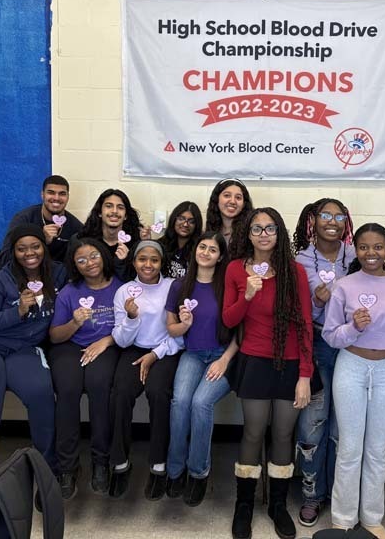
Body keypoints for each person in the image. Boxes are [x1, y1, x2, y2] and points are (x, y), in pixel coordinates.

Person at [323, 223, 385, 539]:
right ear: (356, 250)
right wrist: (353, 327)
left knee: (378, 450)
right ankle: (342, 518)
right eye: (364, 247)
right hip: (351, 366)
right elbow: (330, 336)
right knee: (350, 448)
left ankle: (371, 517)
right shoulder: (344, 286)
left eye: (378, 246)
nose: (371, 253)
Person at [223, 207, 313, 539]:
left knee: (283, 435)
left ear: (279, 233)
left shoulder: (295, 272)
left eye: (271, 228)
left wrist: (305, 374)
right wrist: (247, 294)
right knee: (253, 432)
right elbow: (230, 320)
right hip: (255, 360)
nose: (264, 234)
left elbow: (304, 324)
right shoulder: (235, 270)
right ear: (247, 234)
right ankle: (243, 505)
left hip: (290, 364)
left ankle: (278, 505)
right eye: (257, 228)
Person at [0, 224, 67, 472]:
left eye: (35, 246)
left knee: (42, 396)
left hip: (25, 349)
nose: (30, 253)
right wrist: (16, 312)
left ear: (44, 247)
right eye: (22, 249)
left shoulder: (58, 274)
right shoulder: (1, 279)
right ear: (14, 252)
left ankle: (47, 470)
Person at [292, 197, 356, 526]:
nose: (332, 221)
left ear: (346, 221)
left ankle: (339, 494)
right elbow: (298, 313)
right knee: (313, 426)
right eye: (325, 215)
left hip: (350, 349)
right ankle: (311, 494)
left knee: (341, 428)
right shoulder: (301, 260)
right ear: (313, 221)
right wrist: (318, 302)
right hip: (315, 345)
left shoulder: (357, 257)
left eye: (339, 216)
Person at [165, 231, 236, 507]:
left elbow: (242, 332)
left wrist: (225, 360)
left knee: (200, 403)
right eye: (202, 247)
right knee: (180, 401)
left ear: (220, 257)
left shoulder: (228, 286)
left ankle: (198, 472)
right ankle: (174, 470)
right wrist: (184, 324)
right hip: (193, 355)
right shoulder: (179, 286)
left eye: (213, 250)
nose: (206, 252)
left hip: (223, 355)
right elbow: (172, 330)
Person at [48, 237, 123, 500]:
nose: (89, 263)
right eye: (81, 260)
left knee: (99, 385)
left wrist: (106, 340)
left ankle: (101, 461)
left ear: (104, 256)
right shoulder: (69, 292)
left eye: (93, 256)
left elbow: (130, 329)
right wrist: (75, 323)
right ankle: (67, 466)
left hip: (108, 346)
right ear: (75, 265)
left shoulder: (120, 289)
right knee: (67, 389)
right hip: (69, 346)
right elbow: (56, 336)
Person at [109, 241, 183, 499]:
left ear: (162, 263)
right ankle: (119, 463)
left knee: (158, 393)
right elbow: (121, 340)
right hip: (133, 349)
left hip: (165, 350)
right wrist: (131, 318)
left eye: (154, 259)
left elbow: (181, 335)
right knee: (120, 393)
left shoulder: (173, 287)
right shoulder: (124, 291)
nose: (148, 265)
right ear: (134, 262)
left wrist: (155, 355)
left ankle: (158, 465)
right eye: (142, 259)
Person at [0, 175, 83, 275]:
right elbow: (6, 255)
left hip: (52, 274)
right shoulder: (24, 218)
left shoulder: (76, 226)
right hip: (20, 268)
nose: (56, 198)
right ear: (42, 195)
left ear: (68, 197)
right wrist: (41, 239)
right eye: (51, 193)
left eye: (62, 194)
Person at [80, 188, 147, 282]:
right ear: (100, 212)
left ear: (126, 216)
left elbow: (138, 281)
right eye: (109, 206)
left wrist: (146, 244)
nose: (114, 211)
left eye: (120, 207)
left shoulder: (135, 243)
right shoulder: (85, 241)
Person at [206, 179, 253, 258]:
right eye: (227, 195)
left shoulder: (250, 232)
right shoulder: (210, 229)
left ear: (244, 203)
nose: (232, 201)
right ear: (216, 199)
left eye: (238, 197)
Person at [161, 201, 203, 279]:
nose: (185, 224)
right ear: (174, 220)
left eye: (191, 221)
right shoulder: (161, 244)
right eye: (181, 219)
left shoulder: (200, 249)